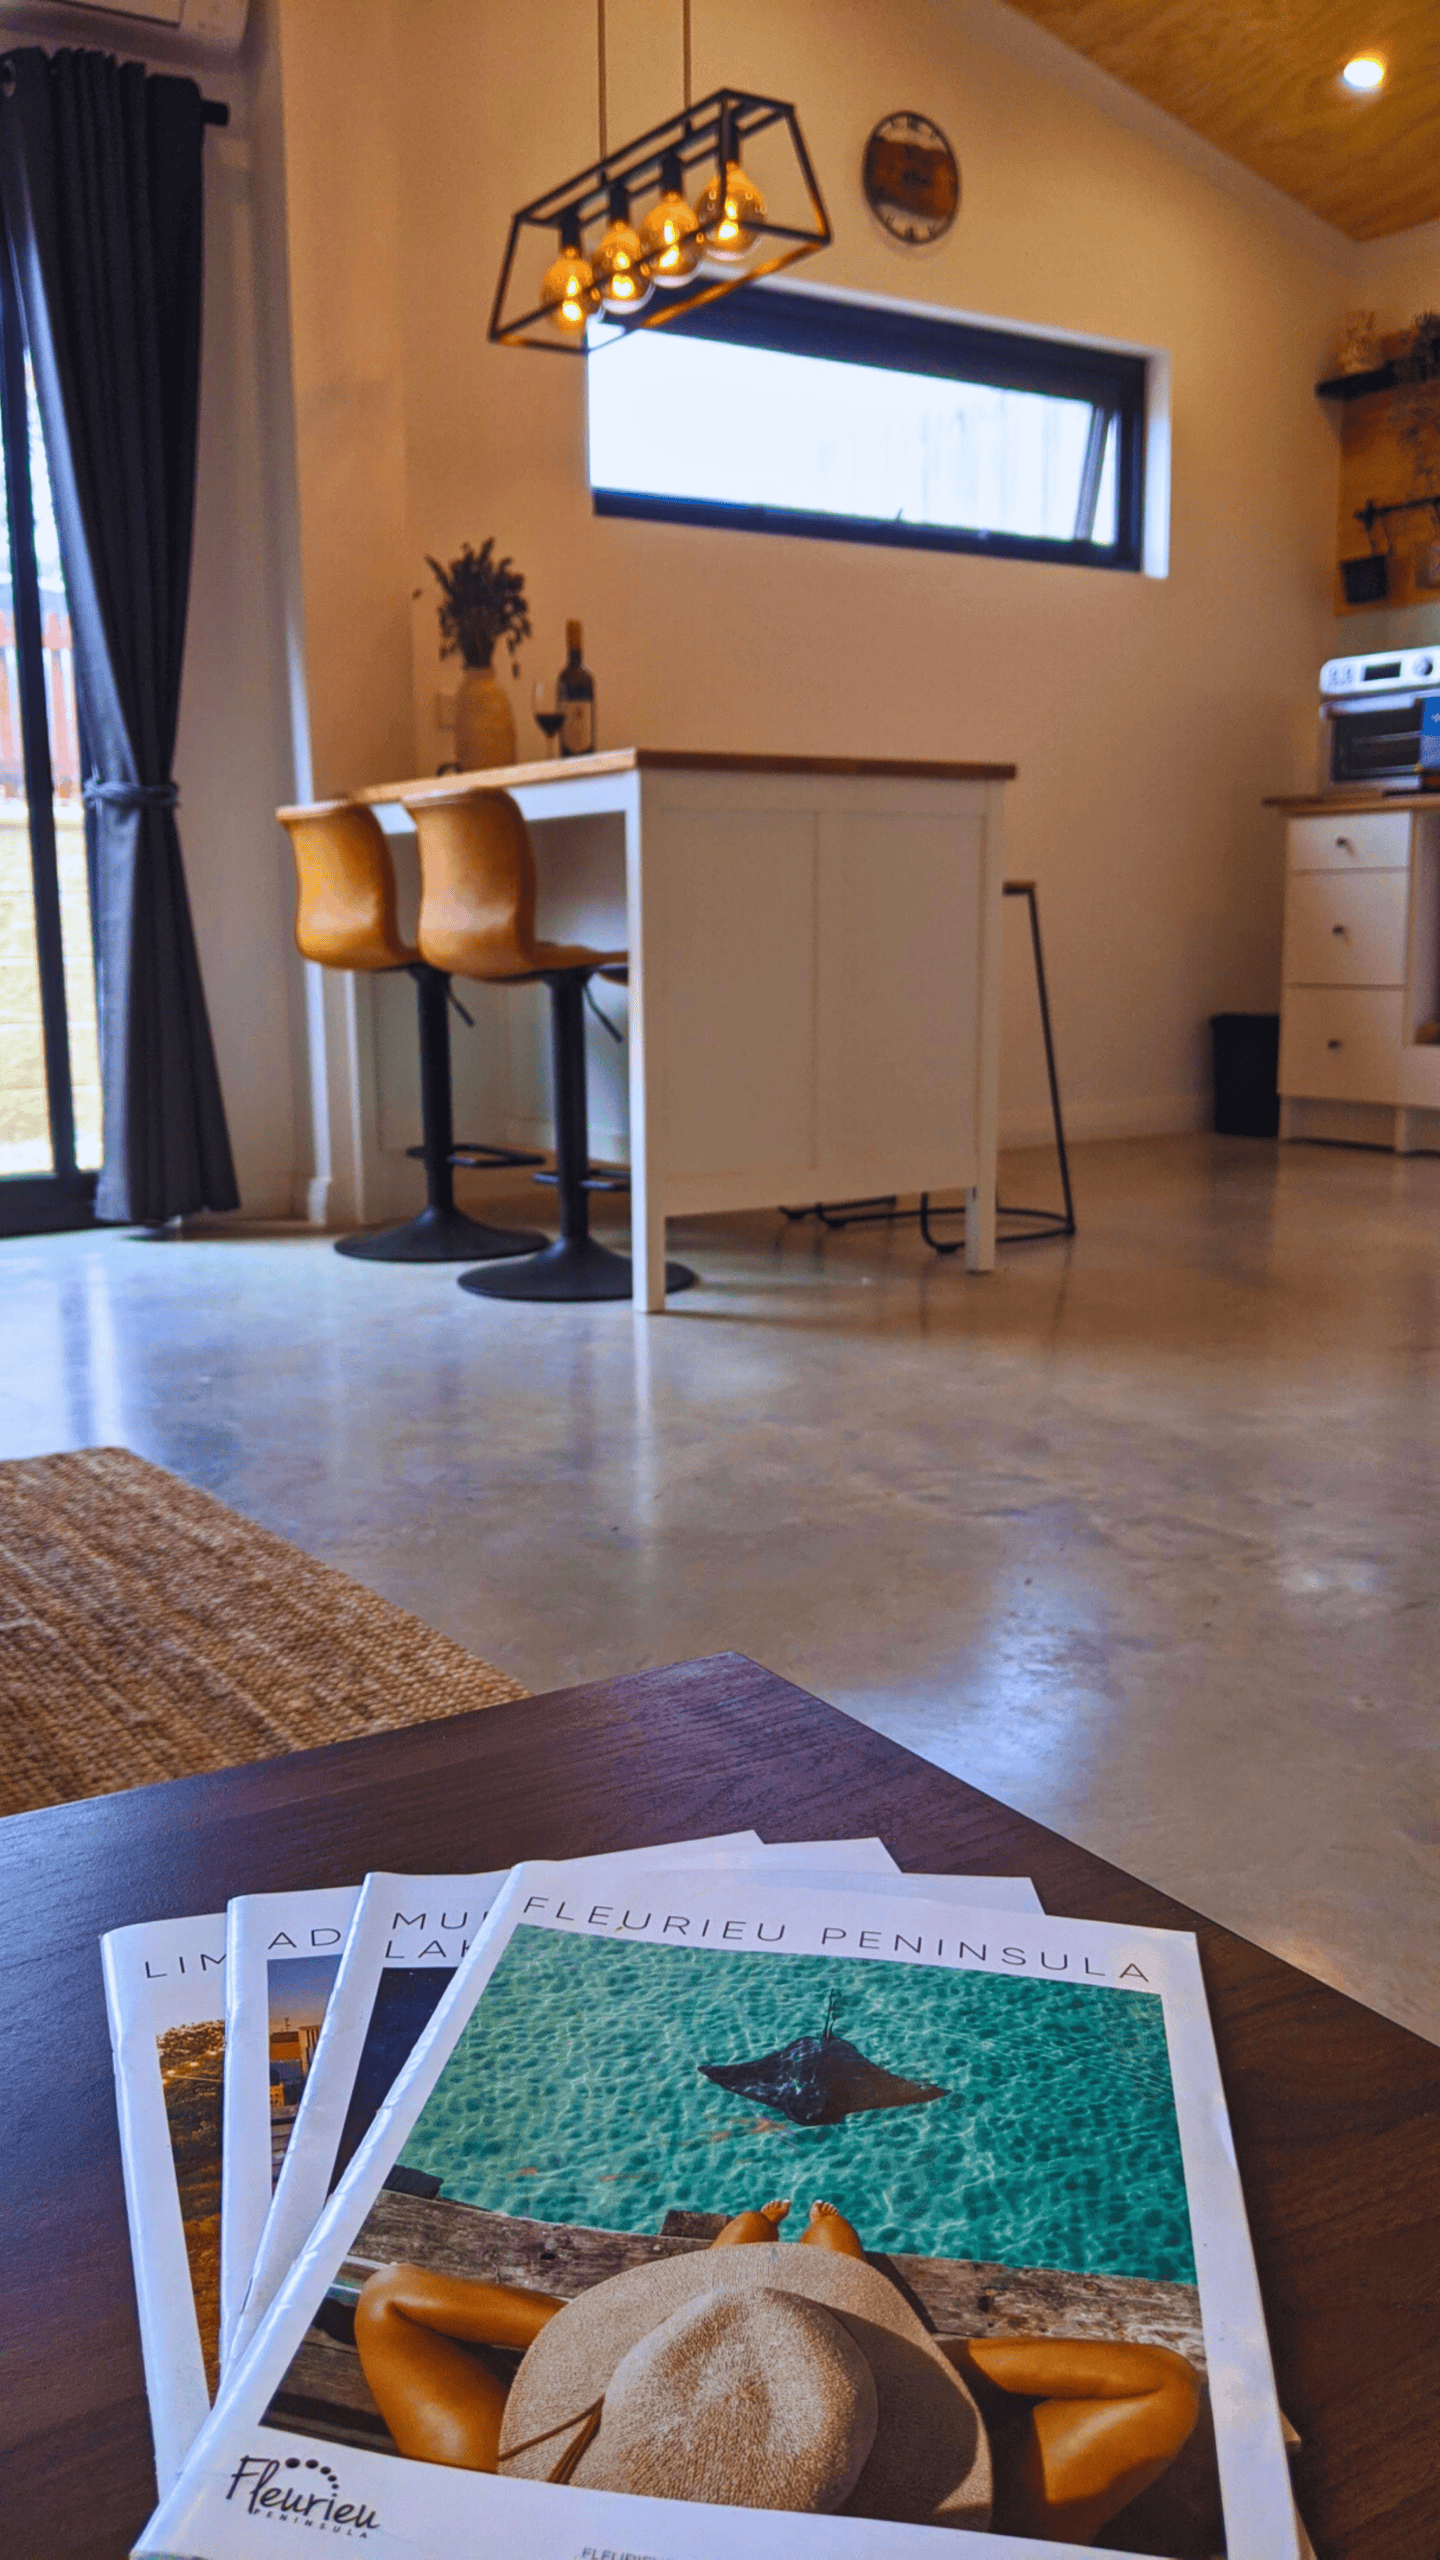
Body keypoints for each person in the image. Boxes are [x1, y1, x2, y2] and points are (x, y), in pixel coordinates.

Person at [354, 2196, 1201, 2545]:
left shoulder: (509, 2522)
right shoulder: (949, 2540)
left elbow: (391, 2296)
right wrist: (878, 2347)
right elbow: (1159, 2385)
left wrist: (658, 2336)